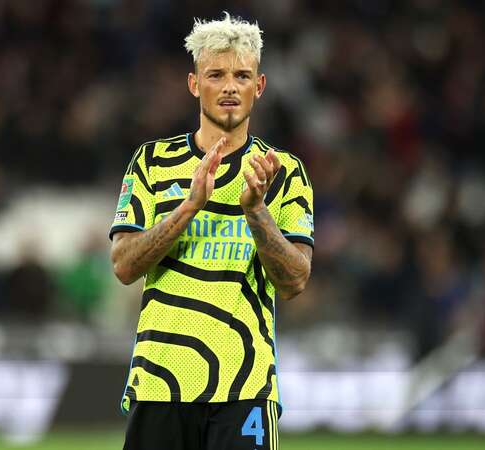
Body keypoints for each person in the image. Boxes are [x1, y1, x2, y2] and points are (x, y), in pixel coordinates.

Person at [109, 13, 314, 450]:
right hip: (161, 382)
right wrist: (188, 207)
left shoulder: (282, 172)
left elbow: (295, 280)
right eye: (216, 74)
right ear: (193, 83)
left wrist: (257, 211)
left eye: (242, 75)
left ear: (258, 87)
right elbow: (124, 265)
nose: (229, 86)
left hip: (245, 388)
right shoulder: (151, 162)